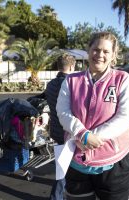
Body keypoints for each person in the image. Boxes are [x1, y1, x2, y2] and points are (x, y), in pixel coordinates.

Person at [56, 31, 129, 200]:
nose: (100, 55)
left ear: (113, 55)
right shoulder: (71, 80)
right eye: (96, 49)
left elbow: (126, 116)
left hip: (114, 163)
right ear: (89, 50)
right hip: (76, 161)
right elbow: (63, 112)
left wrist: (93, 137)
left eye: (106, 51)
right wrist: (82, 134)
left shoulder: (123, 79)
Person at [46, 53, 76, 200]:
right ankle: (56, 197)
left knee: (63, 164)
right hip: (68, 131)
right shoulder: (72, 84)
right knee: (64, 168)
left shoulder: (50, 84)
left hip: (56, 130)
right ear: (72, 66)